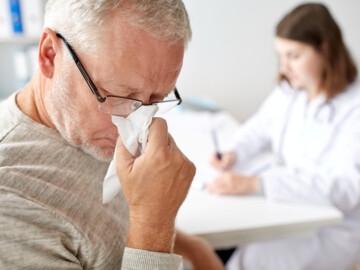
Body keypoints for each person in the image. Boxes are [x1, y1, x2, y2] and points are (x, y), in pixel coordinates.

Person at [0, 0, 225, 269]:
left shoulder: (84, 127)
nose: (135, 121)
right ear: (50, 55)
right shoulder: (10, 205)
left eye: (156, 98)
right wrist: (153, 222)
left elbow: (114, 226)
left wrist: (194, 248)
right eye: (119, 96)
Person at [208, 3, 360, 270]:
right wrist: (235, 151)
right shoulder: (291, 90)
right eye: (281, 55)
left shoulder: (354, 107)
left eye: (294, 56)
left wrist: (257, 185)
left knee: (249, 259)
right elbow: (258, 128)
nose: (284, 66)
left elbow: (346, 189)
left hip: (331, 228)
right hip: (289, 207)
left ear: (325, 50)